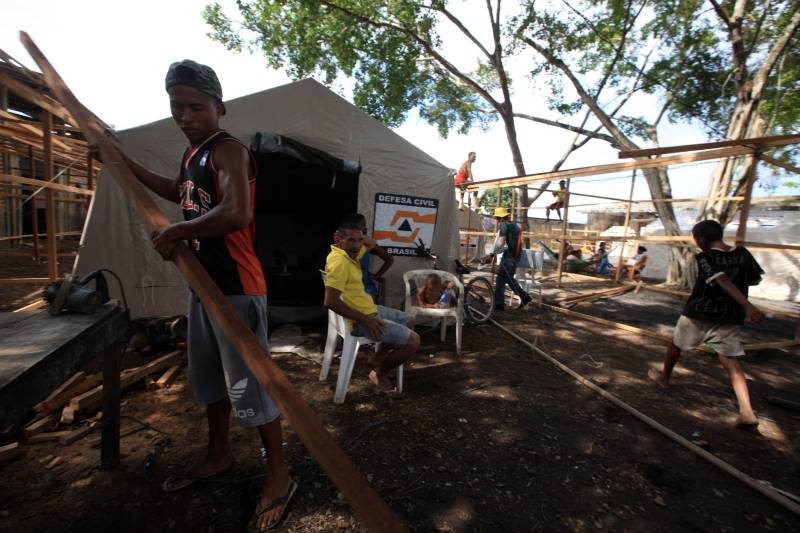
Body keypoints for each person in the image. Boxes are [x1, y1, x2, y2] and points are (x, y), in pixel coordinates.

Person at [92, 60, 294, 531]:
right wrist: (123, 165)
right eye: (176, 106)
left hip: (237, 289)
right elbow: (176, 192)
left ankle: (279, 478)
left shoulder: (228, 151)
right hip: (203, 287)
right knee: (212, 382)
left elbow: (236, 212)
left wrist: (180, 231)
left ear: (219, 107)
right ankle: (218, 454)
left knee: (253, 386)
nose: (184, 115)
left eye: (195, 106)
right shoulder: (192, 157)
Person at [648, 220, 765, 428]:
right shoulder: (743, 253)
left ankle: (665, 378)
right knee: (730, 359)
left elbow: (722, 281)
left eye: (696, 239)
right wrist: (743, 303)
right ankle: (746, 411)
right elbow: (754, 279)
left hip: (701, 311)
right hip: (730, 315)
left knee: (676, 343)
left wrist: (748, 306)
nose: (697, 243)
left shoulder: (706, 256)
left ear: (701, 239)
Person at [324, 221, 420, 395]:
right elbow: (330, 301)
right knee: (414, 341)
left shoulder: (349, 255)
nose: (357, 245)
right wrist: (367, 319)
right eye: (351, 240)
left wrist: (358, 235)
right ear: (338, 239)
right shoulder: (340, 262)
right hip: (360, 320)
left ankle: (378, 357)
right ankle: (380, 373)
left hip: (370, 309)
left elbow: (371, 244)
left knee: (409, 320)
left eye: (359, 240)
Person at [340, 213, 393, 303]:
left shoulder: (367, 245)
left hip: (366, 289)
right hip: (348, 290)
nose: (366, 228)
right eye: (362, 225)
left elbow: (389, 259)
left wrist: (377, 275)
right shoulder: (342, 248)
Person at [487, 207, 532, 310]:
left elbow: (500, 242)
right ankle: (524, 296)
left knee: (500, 279)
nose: (497, 221)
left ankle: (499, 304)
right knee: (509, 279)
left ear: (500, 218)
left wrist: (491, 254)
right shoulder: (515, 225)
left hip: (509, 257)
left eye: (497, 218)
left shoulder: (504, 225)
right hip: (515, 257)